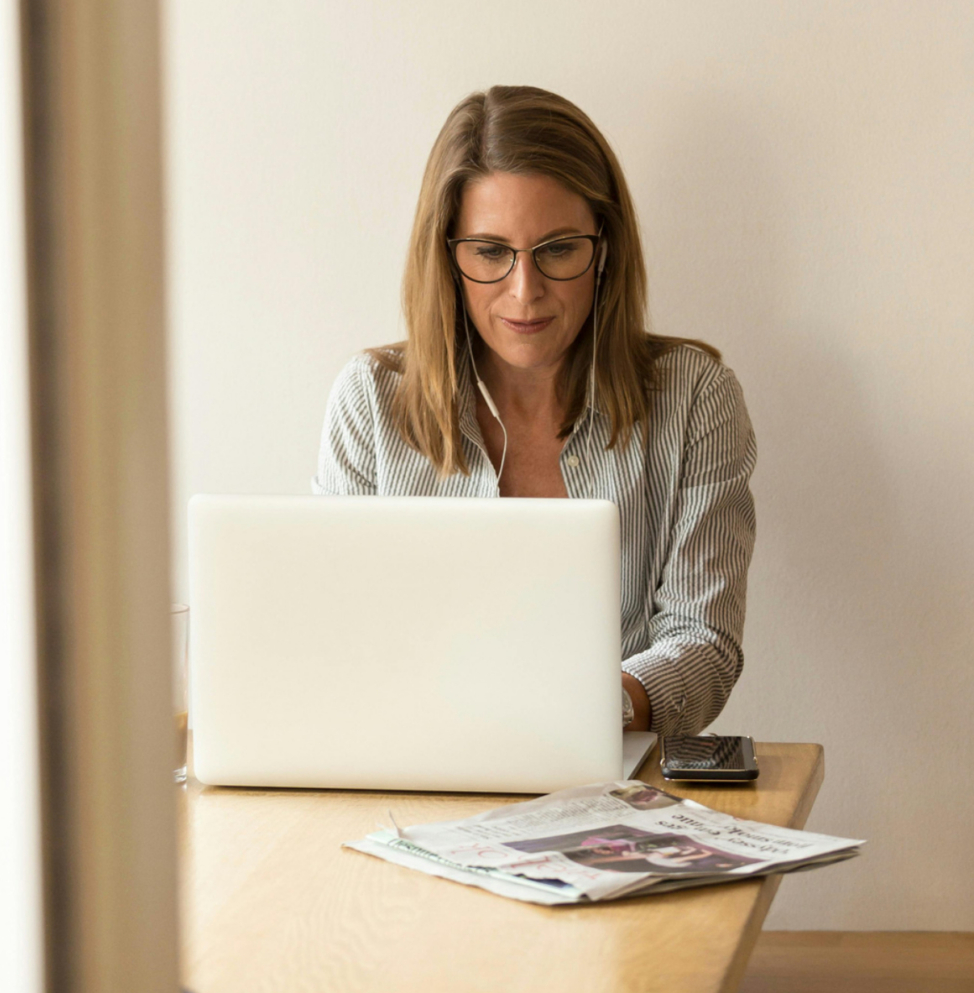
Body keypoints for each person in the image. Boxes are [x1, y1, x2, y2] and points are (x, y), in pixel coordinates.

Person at [312, 85, 756, 736]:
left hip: (613, 772)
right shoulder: (370, 400)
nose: (525, 292)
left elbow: (704, 641)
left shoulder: (694, 397)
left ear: (604, 247)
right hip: (413, 766)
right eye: (491, 252)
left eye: (557, 249)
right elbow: (336, 635)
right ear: (447, 255)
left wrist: (588, 711)